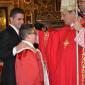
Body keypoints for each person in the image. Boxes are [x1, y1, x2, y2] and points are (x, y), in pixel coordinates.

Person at [0, 7, 24, 85]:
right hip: (10, 75)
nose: (22, 22)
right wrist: (16, 49)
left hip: (18, 73)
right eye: (19, 19)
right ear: (11, 19)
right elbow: (2, 54)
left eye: (23, 19)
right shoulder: (6, 33)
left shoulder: (20, 32)